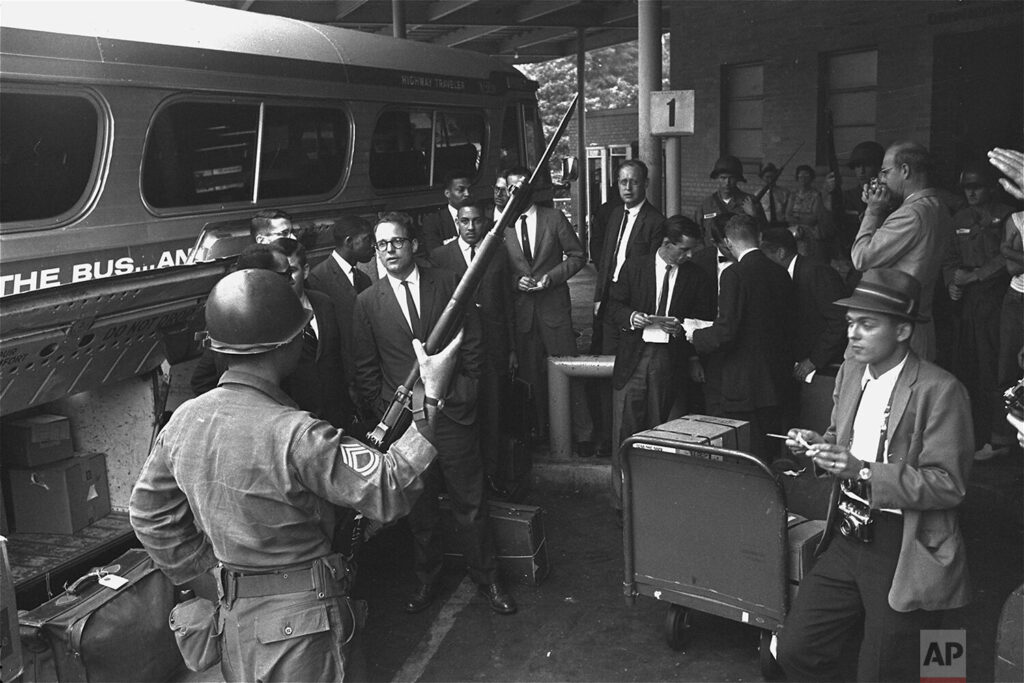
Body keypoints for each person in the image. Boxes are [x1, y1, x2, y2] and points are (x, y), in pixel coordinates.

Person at [130, 268, 463, 682]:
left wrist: (210, 577)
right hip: (305, 632)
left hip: (236, 624)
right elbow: (389, 488)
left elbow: (149, 515)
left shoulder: (183, 420)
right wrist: (430, 398)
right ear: (288, 344)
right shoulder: (296, 433)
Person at [778, 268, 973, 683]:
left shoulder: (941, 390)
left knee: (891, 671)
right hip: (847, 535)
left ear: (903, 330)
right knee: (796, 649)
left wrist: (864, 471)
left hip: (902, 544)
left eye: (867, 324)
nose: (853, 335)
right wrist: (818, 444)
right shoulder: (851, 373)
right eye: (850, 324)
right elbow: (840, 437)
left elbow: (948, 484)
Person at [353, 212, 516, 616]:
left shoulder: (445, 283)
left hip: (454, 413)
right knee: (420, 509)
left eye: (396, 241)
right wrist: (393, 412)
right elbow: (365, 371)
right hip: (408, 425)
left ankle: (489, 579)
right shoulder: (367, 302)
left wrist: (463, 392)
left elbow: (474, 342)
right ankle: (428, 580)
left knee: (471, 501)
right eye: (381, 244)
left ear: (413, 244)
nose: (388, 250)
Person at [607, 216, 715, 515]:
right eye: (684, 249)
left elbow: (704, 318)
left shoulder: (696, 276)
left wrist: (683, 330)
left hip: (669, 361)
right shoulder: (634, 267)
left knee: (658, 435)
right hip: (634, 360)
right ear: (666, 245)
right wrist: (631, 317)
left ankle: (651, 508)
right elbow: (612, 307)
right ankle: (622, 506)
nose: (689, 256)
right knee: (625, 436)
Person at [502, 166, 595, 457]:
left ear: (531, 189)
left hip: (553, 308)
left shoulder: (553, 218)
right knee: (530, 377)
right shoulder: (501, 226)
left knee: (570, 369)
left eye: (521, 186)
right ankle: (540, 432)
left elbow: (578, 256)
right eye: (510, 188)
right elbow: (495, 271)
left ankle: (584, 433)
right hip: (523, 313)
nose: (515, 192)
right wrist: (515, 281)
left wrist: (550, 278)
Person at [689, 214, 796, 462]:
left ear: (728, 242)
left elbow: (726, 331)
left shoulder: (733, 274)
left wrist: (696, 336)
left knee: (744, 457)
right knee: (769, 457)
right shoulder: (780, 273)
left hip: (742, 387)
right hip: (775, 382)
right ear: (758, 237)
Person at [430, 201, 518, 498]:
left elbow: (507, 304)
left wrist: (512, 349)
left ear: (486, 222)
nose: (471, 227)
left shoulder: (497, 253)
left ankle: (491, 476)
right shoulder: (440, 257)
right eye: (465, 221)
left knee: (492, 413)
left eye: (477, 221)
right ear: (457, 223)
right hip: (457, 352)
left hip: (492, 349)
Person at [851, 141, 951, 362]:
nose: (882, 179)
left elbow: (861, 258)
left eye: (886, 172)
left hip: (894, 332)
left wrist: (872, 211)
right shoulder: (937, 206)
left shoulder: (910, 215)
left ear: (905, 170)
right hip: (919, 324)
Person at [591, 159, 665, 456]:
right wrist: (599, 297)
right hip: (609, 304)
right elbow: (605, 259)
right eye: (622, 181)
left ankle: (631, 443)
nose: (628, 187)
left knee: (629, 377)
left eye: (634, 181)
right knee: (607, 372)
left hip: (633, 310)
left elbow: (651, 273)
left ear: (645, 184)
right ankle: (608, 438)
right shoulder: (612, 215)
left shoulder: (655, 221)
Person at [943, 163, 1014, 461]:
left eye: (978, 187)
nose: (971, 192)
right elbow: (949, 257)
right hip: (968, 301)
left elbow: (1007, 257)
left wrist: (978, 275)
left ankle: (998, 437)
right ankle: (971, 435)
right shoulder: (959, 218)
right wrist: (951, 283)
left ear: (991, 188)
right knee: (965, 365)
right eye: (967, 188)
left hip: (996, 297)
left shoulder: (1008, 216)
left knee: (995, 367)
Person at [307, 215, 376, 428]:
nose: (373, 245)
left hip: (367, 374)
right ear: (348, 241)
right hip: (343, 381)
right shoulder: (319, 278)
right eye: (366, 239)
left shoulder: (364, 279)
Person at [760, 227, 847, 385]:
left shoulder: (817, 273)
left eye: (765, 257)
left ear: (780, 253)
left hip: (825, 370)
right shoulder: (780, 278)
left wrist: (814, 360)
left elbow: (840, 321)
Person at [824, 140, 885, 264]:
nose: (861, 171)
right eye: (857, 166)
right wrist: (828, 192)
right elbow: (830, 226)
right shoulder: (847, 196)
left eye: (867, 165)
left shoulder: (886, 196)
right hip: (849, 256)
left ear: (878, 167)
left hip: (878, 256)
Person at [694, 155, 767, 245]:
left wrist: (753, 216)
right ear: (717, 178)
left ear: (737, 179)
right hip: (713, 255)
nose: (727, 183)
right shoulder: (706, 205)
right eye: (723, 178)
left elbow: (764, 233)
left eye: (731, 178)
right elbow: (697, 236)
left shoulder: (750, 201)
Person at [784, 164, 829, 262]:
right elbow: (787, 215)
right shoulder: (793, 195)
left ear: (811, 178)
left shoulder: (816, 195)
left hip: (810, 233)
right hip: (794, 231)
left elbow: (814, 217)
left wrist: (798, 218)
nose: (803, 179)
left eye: (806, 176)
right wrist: (797, 220)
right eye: (801, 176)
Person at [421, 169, 473, 253]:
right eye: (461, 190)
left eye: (469, 189)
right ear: (447, 193)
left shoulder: (480, 218)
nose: (467, 194)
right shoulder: (433, 221)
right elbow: (434, 254)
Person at [758, 162, 790, 228]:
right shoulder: (758, 194)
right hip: (765, 226)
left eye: (772, 177)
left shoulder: (785, 192)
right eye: (767, 177)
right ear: (762, 178)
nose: (770, 180)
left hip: (781, 225)